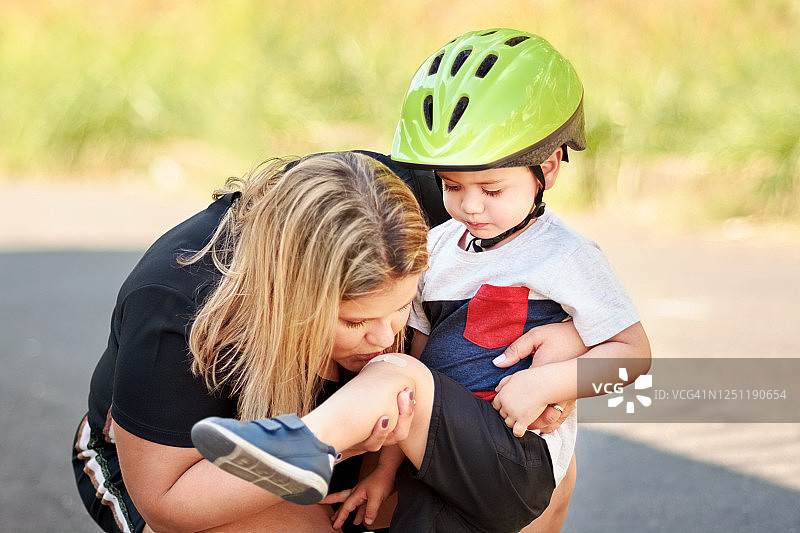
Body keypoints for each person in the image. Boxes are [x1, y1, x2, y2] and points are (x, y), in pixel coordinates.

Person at [191, 29, 651, 532]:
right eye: (452, 186)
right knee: (397, 373)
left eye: (492, 189)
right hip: (435, 461)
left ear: (547, 168)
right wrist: (380, 475)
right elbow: (415, 374)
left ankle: (303, 446)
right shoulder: (435, 248)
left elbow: (633, 357)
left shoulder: (566, 256)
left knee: (391, 370)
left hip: (516, 460)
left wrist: (549, 382)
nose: (470, 206)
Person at [72, 151, 435, 533]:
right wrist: (337, 440)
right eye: (355, 320)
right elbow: (166, 504)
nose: (385, 337)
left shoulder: (439, 202)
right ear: (287, 294)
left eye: (401, 306)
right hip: (183, 473)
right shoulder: (175, 305)